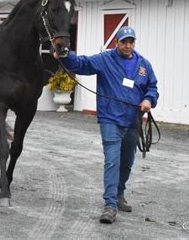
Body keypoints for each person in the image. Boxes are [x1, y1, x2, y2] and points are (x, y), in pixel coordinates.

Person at [54, 26, 158, 224]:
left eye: (131, 42)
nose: (128, 45)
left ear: (134, 43)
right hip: (110, 118)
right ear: (116, 43)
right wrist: (64, 53)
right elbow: (81, 64)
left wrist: (149, 100)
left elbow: (152, 87)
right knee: (112, 161)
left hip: (133, 120)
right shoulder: (105, 59)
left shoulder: (144, 64)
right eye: (124, 42)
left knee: (126, 162)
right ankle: (109, 205)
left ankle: (119, 194)